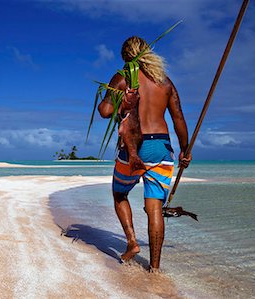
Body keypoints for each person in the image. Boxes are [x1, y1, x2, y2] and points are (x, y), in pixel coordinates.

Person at [98, 36, 192, 272]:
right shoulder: (165, 82)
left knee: (119, 194)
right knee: (155, 208)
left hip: (133, 145)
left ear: (126, 56)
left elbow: (104, 111)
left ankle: (132, 242)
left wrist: (117, 100)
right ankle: (155, 269)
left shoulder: (122, 78)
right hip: (160, 146)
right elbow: (178, 117)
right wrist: (185, 149)